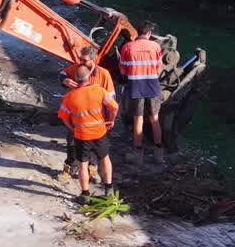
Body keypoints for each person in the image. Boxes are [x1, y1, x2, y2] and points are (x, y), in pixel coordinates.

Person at [58, 65, 118, 204]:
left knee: (82, 165)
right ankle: (108, 190)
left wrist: (73, 129)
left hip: (81, 136)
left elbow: (63, 117)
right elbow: (114, 107)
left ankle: (85, 195)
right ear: (89, 76)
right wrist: (111, 120)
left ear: (75, 79)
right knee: (105, 159)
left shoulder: (70, 96)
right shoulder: (99, 91)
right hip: (99, 132)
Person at [59, 45, 115, 179]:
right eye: (80, 59)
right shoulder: (76, 69)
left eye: (84, 60)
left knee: (95, 148)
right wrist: (64, 80)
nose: (81, 62)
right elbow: (62, 73)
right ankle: (69, 168)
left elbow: (111, 98)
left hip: (95, 119)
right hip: (77, 118)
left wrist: (108, 119)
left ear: (93, 60)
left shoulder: (103, 74)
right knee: (72, 142)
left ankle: (91, 168)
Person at [119, 21, 164, 161]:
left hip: (135, 86)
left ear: (137, 32)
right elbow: (158, 68)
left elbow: (122, 70)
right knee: (154, 118)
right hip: (152, 85)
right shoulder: (156, 46)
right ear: (150, 33)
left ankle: (137, 153)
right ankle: (158, 153)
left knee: (138, 118)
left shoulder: (127, 47)